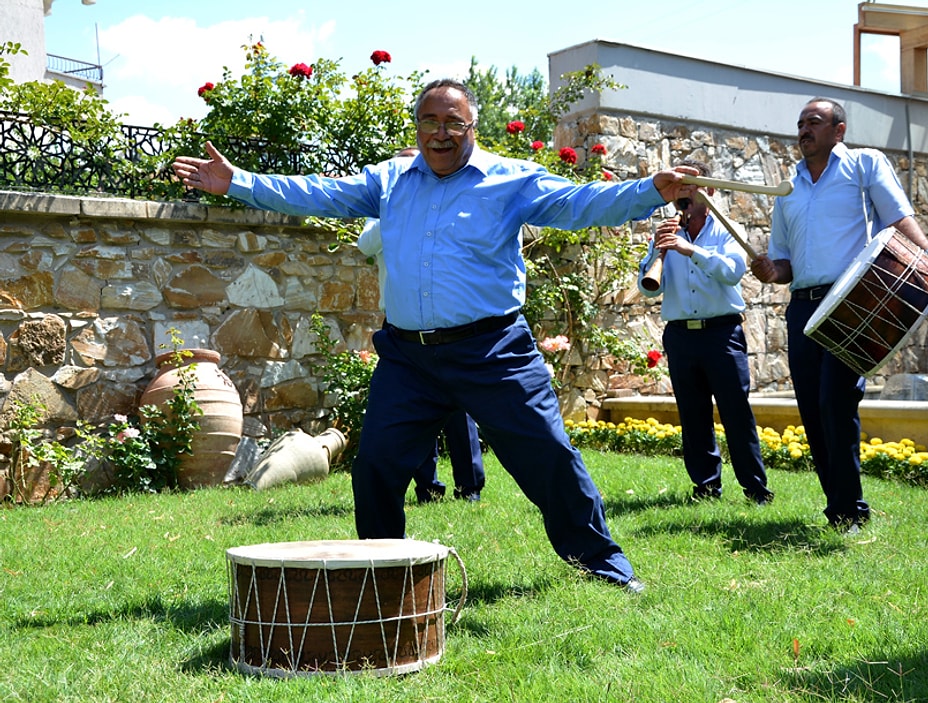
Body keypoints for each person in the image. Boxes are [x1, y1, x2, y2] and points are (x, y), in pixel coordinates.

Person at [173, 77, 695, 593]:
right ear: (418, 126)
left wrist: (650, 191)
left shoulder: (510, 180)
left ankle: (603, 563)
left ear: (473, 126)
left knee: (550, 458)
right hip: (410, 359)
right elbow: (318, 193)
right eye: (430, 121)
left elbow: (580, 204)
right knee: (375, 464)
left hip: (494, 352)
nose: (440, 133)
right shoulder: (391, 180)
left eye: (453, 122)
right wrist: (237, 180)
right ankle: (380, 571)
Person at [749, 97, 928, 532]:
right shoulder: (787, 189)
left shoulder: (863, 164)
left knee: (836, 401)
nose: (804, 129)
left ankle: (851, 511)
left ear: (838, 131)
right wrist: (772, 271)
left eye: (814, 122)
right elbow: (783, 261)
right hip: (803, 307)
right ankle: (839, 506)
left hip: (853, 301)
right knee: (812, 408)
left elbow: (897, 216)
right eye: (801, 123)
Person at [636, 158, 773, 505]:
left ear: (708, 190)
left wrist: (689, 249)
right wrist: (658, 250)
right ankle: (706, 487)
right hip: (681, 335)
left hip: (721, 333)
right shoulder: (666, 231)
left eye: (691, 184)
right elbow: (650, 288)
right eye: (678, 185)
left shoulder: (729, 228)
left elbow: (731, 272)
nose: (684, 190)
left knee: (735, 412)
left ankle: (756, 490)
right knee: (692, 414)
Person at [355, 154, 487, 505]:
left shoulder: (447, 203)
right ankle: (428, 487)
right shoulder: (385, 204)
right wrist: (399, 211)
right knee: (413, 409)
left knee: (460, 408)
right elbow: (364, 244)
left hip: (450, 322)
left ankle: (469, 486)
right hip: (402, 325)